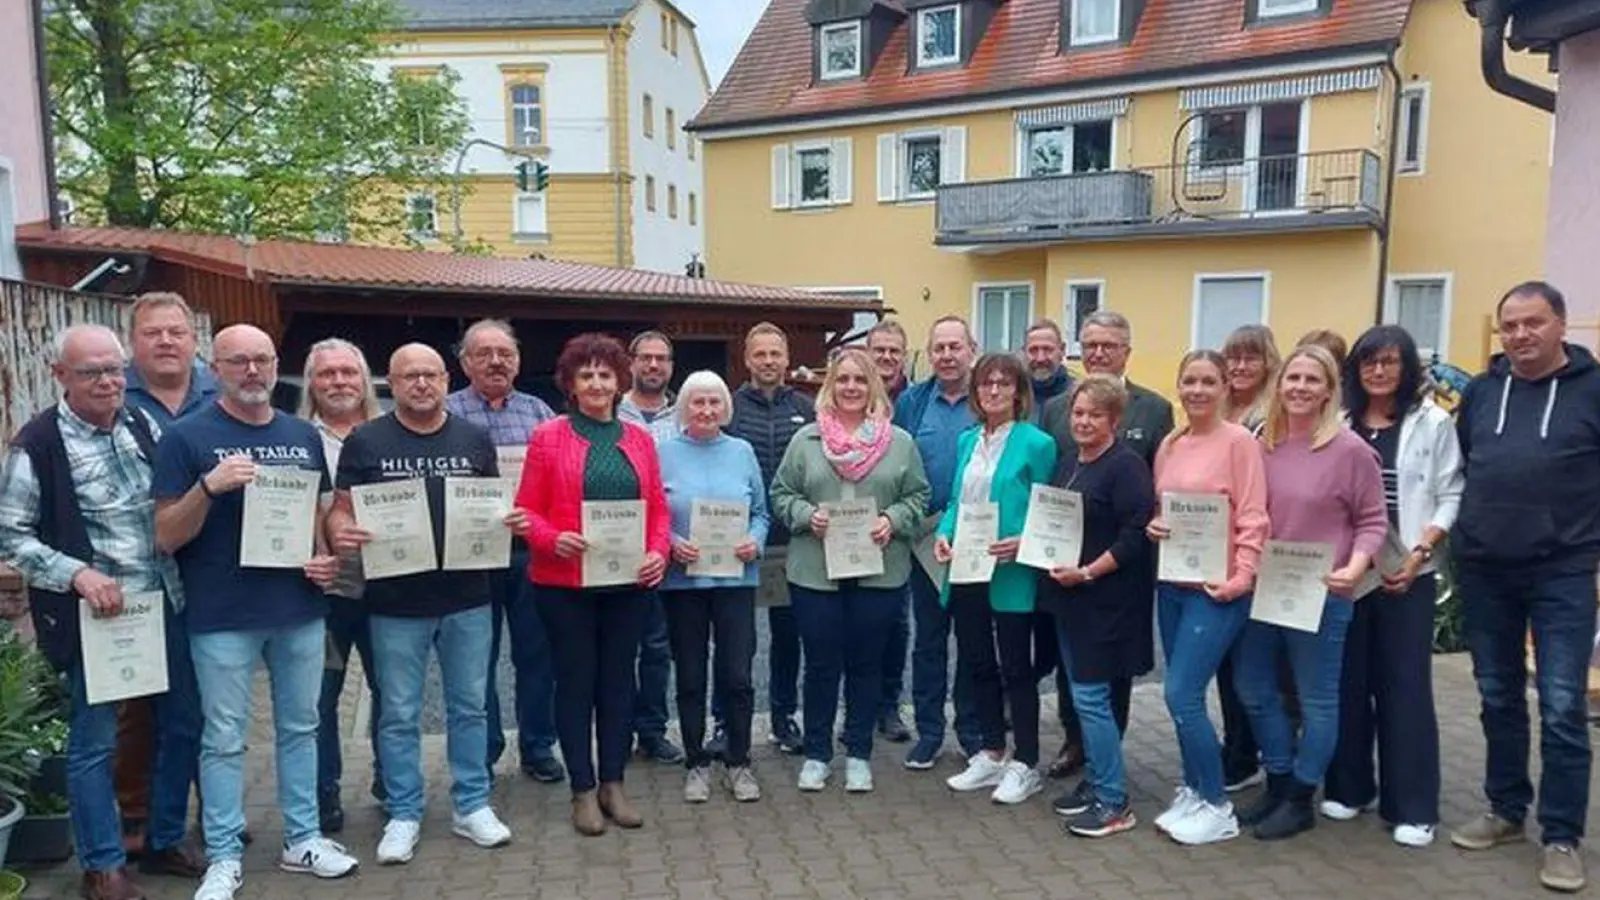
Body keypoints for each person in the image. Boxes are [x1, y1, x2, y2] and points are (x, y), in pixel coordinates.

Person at [151, 325, 357, 900]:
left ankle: (303, 839)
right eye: (238, 361)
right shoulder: (185, 437)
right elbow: (165, 535)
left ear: (275, 366)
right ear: (214, 367)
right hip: (221, 613)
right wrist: (209, 488)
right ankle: (221, 854)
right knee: (222, 737)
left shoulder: (300, 434)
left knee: (302, 727)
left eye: (262, 360)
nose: (252, 371)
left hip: (298, 607)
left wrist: (322, 557)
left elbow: (317, 516)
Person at [0, 325, 204, 900]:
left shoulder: (145, 424)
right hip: (100, 617)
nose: (108, 381)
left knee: (182, 725)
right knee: (96, 744)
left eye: (114, 369)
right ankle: (102, 866)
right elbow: (11, 535)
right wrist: (79, 575)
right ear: (60, 376)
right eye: (92, 372)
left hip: (166, 601)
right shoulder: (37, 443)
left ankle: (163, 839)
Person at [326, 343, 516, 864]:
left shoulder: (474, 439)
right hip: (393, 601)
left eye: (430, 375)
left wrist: (508, 521)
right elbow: (339, 512)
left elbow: (491, 507)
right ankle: (404, 812)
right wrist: (344, 533)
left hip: (467, 598)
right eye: (410, 376)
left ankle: (471, 804)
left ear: (445, 378)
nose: (421, 384)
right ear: (392, 381)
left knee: (470, 706)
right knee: (400, 713)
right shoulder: (367, 440)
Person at [1449, 281, 1600, 894]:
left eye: (1533, 323)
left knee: (1563, 705)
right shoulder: (1483, 394)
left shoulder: (1594, 391)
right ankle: (1506, 810)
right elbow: (1463, 467)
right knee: (1498, 695)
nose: (1519, 335)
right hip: (1487, 570)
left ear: (1561, 325)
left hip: (1563, 570)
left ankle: (1561, 835)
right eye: (1510, 325)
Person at [515, 333, 672, 836]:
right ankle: (582, 789)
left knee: (618, 684)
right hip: (564, 585)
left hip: (627, 584)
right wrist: (552, 538)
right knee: (576, 684)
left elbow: (658, 511)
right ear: (571, 383)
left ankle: (614, 783)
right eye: (587, 375)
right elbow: (525, 513)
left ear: (619, 381)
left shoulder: (639, 440)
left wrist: (657, 552)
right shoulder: (548, 437)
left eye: (606, 374)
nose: (597, 383)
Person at [1232, 345, 1387, 841]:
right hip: (1262, 586)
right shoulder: (1262, 442)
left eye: (1311, 379)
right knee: (1253, 688)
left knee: (1318, 701)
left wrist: (1357, 566)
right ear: (1279, 386)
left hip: (1321, 592)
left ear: (1328, 390)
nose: (1299, 387)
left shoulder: (1351, 451)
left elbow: (1372, 520)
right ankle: (1279, 779)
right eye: (1292, 378)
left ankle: (1300, 797)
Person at [1324, 325, 1462, 848]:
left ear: (1406, 369)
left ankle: (1413, 806)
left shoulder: (1432, 422)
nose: (1378, 372)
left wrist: (1423, 551)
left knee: (1404, 687)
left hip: (1408, 571)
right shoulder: (1339, 423)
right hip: (1349, 573)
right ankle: (1351, 785)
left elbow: (1450, 491)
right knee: (1348, 682)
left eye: (1389, 362)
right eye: (1368, 363)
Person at [770, 347, 930, 793]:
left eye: (860, 380)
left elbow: (918, 497)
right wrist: (806, 516)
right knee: (821, 665)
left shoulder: (899, 442)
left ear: (873, 386)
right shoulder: (806, 442)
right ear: (830, 386)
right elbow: (780, 493)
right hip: (815, 573)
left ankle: (858, 752)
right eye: (843, 380)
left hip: (878, 573)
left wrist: (892, 520)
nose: (852, 388)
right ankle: (818, 754)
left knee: (866, 665)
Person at [1038, 310, 1173, 779]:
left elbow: (1160, 486)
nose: (1098, 352)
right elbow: (1057, 481)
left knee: (1110, 670)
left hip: (1118, 568)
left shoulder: (1154, 409)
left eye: (1109, 345)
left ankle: (1105, 764)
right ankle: (1076, 743)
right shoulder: (1057, 406)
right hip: (1065, 566)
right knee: (1070, 667)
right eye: (1090, 343)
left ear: (1126, 352)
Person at [1144, 349, 1269, 846]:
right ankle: (1195, 788)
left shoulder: (1240, 442)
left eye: (1207, 382)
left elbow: (1254, 515)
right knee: (1183, 697)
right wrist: (1155, 525)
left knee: (1180, 693)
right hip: (1172, 584)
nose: (1197, 390)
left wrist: (1243, 576)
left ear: (1224, 388)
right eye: (1189, 381)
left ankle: (1218, 805)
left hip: (1218, 590)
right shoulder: (1172, 443)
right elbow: (1163, 507)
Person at [442, 319, 564, 784]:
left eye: (505, 353)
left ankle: (537, 747)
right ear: (464, 361)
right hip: (470, 555)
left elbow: (559, 483)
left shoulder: (540, 415)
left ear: (517, 360)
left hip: (530, 553)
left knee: (537, 656)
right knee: (475, 660)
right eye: (484, 353)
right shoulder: (446, 414)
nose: (496, 361)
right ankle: (485, 752)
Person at [119, 291, 218, 854]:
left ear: (192, 340)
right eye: (152, 333)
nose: (165, 341)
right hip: (138, 573)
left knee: (208, 701)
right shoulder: (116, 394)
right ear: (134, 342)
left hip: (210, 570)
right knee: (138, 708)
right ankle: (138, 819)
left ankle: (214, 811)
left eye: (175, 332)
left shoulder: (217, 391)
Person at [935, 354, 1057, 805]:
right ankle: (991, 750)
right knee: (976, 662)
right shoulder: (968, 441)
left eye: (1004, 384)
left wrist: (1023, 541)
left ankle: (1026, 763)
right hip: (967, 567)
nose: (994, 391)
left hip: (1011, 570)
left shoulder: (1037, 443)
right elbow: (954, 502)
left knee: (1016, 668)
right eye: (986, 383)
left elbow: (1052, 511)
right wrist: (944, 537)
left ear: (1019, 392)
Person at [1041, 375, 1154, 838]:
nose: (1084, 421)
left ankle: (1113, 801)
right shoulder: (1070, 461)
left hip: (1105, 602)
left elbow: (1133, 538)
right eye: (1078, 413)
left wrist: (1087, 572)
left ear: (1115, 419)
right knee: (1084, 697)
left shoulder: (1126, 467)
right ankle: (1096, 782)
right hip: (1071, 601)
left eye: (1094, 414)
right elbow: (1051, 520)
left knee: (1091, 699)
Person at [658, 370, 770, 803]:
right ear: (684, 407)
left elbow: (760, 511)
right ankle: (696, 761)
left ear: (726, 408)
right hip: (683, 583)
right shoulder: (663, 452)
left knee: (737, 675)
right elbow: (653, 512)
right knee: (690, 676)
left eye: (714, 402)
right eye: (698, 402)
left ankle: (739, 761)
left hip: (734, 581)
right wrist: (670, 543)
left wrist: (755, 542)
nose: (706, 410)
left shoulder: (741, 451)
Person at [298, 338, 386, 834]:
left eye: (348, 373)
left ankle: (391, 784)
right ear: (312, 383)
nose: (338, 382)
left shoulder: (387, 434)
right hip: (323, 593)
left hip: (385, 587)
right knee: (321, 698)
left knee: (390, 692)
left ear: (364, 379)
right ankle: (324, 793)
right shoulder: (293, 437)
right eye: (327, 374)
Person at [720, 322, 814, 756]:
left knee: (788, 634)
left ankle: (783, 716)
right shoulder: (728, 408)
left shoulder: (808, 408)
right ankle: (725, 720)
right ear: (747, 359)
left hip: (791, 539)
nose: (769, 362)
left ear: (787, 356)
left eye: (776, 353)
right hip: (738, 540)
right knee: (735, 639)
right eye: (760, 354)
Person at [895, 317, 983, 770]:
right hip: (924, 542)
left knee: (971, 640)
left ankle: (970, 731)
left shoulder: (989, 397)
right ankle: (929, 732)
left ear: (972, 349)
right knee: (928, 641)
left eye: (955, 346)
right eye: (939, 348)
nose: (947, 355)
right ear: (929, 355)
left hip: (976, 539)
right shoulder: (912, 401)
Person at [1216, 323, 1283, 793]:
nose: (1240, 367)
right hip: (1211, 554)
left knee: (1252, 669)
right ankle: (1237, 748)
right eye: (1233, 358)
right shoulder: (1220, 409)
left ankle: (1254, 757)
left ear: (1268, 364)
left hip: (1252, 555)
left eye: (1250, 358)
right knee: (1225, 665)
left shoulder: (1269, 417)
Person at [616, 330, 684, 765]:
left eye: (662, 359)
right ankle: (617, 730)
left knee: (658, 649)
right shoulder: (609, 411)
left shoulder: (684, 413)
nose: (654, 366)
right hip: (617, 546)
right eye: (646, 358)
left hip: (672, 549)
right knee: (620, 647)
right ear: (632, 362)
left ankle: (653, 731)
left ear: (671, 366)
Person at [1023, 320, 1073, 421]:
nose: (1040, 358)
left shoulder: (1077, 396)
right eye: (1033, 350)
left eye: (1047, 349)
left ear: (1062, 350)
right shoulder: (1014, 397)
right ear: (1024, 352)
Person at [868, 319, 911, 403]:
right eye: (880, 350)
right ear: (867, 353)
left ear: (904, 356)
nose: (886, 357)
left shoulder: (920, 400)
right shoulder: (854, 397)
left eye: (894, 351)